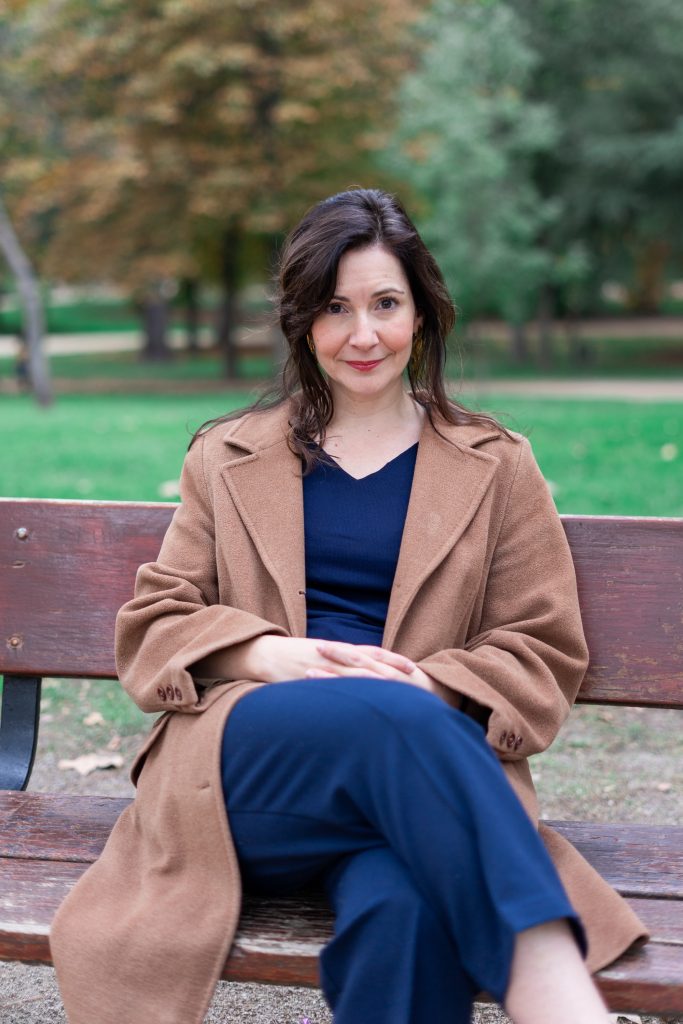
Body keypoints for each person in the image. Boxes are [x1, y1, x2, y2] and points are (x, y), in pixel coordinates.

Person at [51, 189, 646, 1024]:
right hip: (244, 769)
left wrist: (428, 691)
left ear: (422, 314)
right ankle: (550, 986)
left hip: (416, 784)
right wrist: (268, 656)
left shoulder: (496, 465)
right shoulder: (228, 455)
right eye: (334, 308)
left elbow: (540, 649)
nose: (362, 334)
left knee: (406, 909)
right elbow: (155, 626)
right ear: (301, 321)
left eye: (385, 304)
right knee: (381, 720)